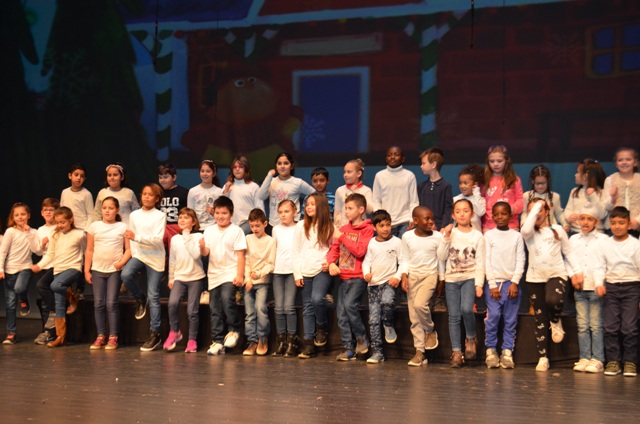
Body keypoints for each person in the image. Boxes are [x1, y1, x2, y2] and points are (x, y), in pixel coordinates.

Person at [521, 199, 582, 372]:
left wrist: (577, 271)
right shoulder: (528, 232)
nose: (536, 213)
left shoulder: (558, 230)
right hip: (535, 279)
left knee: (553, 300)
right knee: (540, 318)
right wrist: (536, 207)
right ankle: (543, 357)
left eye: (540, 209)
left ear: (547, 212)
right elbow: (525, 229)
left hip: (556, 274)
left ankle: (555, 320)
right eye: (532, 211)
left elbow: (568, 252)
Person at [325, 193, 374, 361]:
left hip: (358, 276)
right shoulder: (343, 230)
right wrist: (331, 263)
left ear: (361, 210)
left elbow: (360, 251)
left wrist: (342, 237)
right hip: (343, 277)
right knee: (341, 313)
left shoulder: (367, 229)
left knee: (349, 305)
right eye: (345, 208)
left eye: (350, 208)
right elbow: (334, 249)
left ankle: (361, 339)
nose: (346, 211)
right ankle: (348, 347)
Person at [438, 199, 485, 368]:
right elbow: (441, 256)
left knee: (466, 309)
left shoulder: (477, 236)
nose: (462, 214)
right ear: (453, 215)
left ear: (472, 214)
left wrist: (479, 284)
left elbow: (480, 261)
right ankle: (457, 351)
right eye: (458, 211)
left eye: (465, 211)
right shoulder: (450, 234)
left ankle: (471, 337)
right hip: (452, 279)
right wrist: (446, 238)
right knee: (454, 316)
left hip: (469, 278)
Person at [120, 183, 167, 352]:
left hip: (155, 257)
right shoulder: (134, 215)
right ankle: (140, 298)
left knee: (153, 295)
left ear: (157, 198)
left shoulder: (160, 216)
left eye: (150, 194)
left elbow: (157, 239)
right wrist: (134, 252)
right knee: (126, 275)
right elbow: (130, 236)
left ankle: (155, 333)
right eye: (144, 194)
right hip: (139, 255)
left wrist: (137, 237)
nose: (146, 197)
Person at [32, 207, 86, 348]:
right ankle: (61, 337)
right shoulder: (55, 235)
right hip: (58, 269)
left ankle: (73, 297)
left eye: (63, 222)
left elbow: (86, 251)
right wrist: (39, 265)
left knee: (55, 285)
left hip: (73, 268)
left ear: (70, 220)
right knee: (59, 305)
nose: (60, 225)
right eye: (57, 222)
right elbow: (50, 254)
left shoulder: (79, 234)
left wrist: (86, 269)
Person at [199, 196, 246, 356]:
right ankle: (218, 340)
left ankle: (234, 330)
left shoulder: (236, 231)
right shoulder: (209, 231)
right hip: (214, 274)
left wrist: (239, 275)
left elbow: (240, 255)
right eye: (217, 213)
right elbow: (206, 252)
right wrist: (201, 247)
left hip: (230, 273)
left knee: (227, 299)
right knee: (215, 309)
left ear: (231, 214)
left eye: (224, 213)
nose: (220, 216)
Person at [598, 206, 640, 377]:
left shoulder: (635, 244)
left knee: (630, 327)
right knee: (610, 326)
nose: (617, 226)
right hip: (612, 287)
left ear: (628, 224)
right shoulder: (605, 244)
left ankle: (630, 362)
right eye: (614, 223)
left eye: (621, 223)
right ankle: (613, 361)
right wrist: (599, 283)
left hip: (632, 287)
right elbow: (600, 266)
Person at [400, 206, 444, 367]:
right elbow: (405, 258)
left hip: (430, 275)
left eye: (432, 218)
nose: (431, 221)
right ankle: (420, 352)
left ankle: (430, 330)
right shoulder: (407, 236)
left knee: (420, 305)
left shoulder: (438, 237)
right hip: (413, 276)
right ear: (416, 220)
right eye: (427, 219)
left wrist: (441, 279)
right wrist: (404, 275)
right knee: (414, 318)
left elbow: (441, 259)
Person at [483, 202, 525, 369]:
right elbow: (486, 261)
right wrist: (492, 285)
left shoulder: (517, 236)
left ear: (510, 215)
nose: (500, 217)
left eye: (504, 214)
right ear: (492, 216)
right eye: (496, 214)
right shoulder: (488, 236)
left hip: (511, 284)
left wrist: (514, 282)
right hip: (494, 284)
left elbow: (521, 260)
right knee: (493, 317)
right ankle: (491, 350)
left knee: (510, 319)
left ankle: (507, 352)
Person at [85, 197, 131, 350]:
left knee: (111, 303)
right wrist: (87, 270)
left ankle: (113, 336)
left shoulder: (122, 227)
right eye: (104, 208)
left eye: (111, 208)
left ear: (117, 210)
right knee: (98, 303)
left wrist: (121, 262)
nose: (107, 211)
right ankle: (100, 335)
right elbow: (89, 250)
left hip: (114, 271)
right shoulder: (94, 226)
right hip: (97, 269)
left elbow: (128, 249)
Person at [293, 193, 334, 359]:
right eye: (307, 204)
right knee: (308, 307)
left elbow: (334, 249)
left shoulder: (329, 227)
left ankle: (322, 326)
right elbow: (296, 250)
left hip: (321, 270)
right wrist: (297, 273)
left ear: (321, 206)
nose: (309, 207)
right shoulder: (300, 226)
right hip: (305, 270)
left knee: (317, 299)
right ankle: (309, 343)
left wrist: (330, 262)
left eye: (312, 204)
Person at [567, 204, 607, 373]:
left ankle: (598, 359)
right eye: (582, 218)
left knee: (596, 325)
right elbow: (568, 260)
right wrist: (573, 276)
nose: (585, 222)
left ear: (596, 221)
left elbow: (603, 263)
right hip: (580, 288)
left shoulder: (603, 240)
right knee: (582, 325)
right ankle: (584, 357)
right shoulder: (573, 240)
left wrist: (599, 282)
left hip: (595, 288)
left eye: (589, 219)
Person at [362, 209, 402, 364]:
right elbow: (367, 261)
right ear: (374, 227)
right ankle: (377, 352)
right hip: (373, 285)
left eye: (388, 225)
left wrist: (397, 276)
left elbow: (403, 261)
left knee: (387, 302)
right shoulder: (372, 243)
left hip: (388, 282)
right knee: (373, 320)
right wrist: (366, 273)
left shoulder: (396, 242)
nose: (386, 229)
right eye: (382, 226)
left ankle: (388, 324)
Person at [164, 207, 205, 353]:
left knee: (192, 311)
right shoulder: (175, 239)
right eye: (180, 217)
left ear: (193, 222)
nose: (182, 220)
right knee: (172, 303)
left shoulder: (198, 236)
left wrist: (187, 235)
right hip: (179, 277)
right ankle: (174, 332)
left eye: (186, 218)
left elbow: (195, 254)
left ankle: (192, 340)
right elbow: (173, 260)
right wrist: (171, 277)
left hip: (196, 278)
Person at [0, 203, 42, 344]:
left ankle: (24, 301)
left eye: (23, 214)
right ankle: (11, 333)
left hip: (25, 267)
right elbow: (3, 251)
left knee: (19, 288)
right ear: (13, 217)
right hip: (9, 270)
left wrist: (29, 234)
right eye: (17, 215)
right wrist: (1, 269)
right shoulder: (10, 232)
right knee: (10, 304)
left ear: (28, 215)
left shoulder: (34, 232)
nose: (20, 217)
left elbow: (38, 251)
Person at [243, 208, 276, 356]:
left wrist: (259, 274)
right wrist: (248, 279)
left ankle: (263, 338)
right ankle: (252, 340)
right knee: (249, 312)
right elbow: (246, 260)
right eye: (252, 226)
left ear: (265, 224)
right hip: (249, 281)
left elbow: (270, 264)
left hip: (262, 281)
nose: (255, 229)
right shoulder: (248, 239)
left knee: (260, 308)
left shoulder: (270, 241)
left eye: (258, 225)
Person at [271, 199, 300, 357]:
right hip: (278, 270)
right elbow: (274, 248)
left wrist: (299, 272)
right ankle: (281, 341)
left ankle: (292, 341)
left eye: (286, 211)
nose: (283, 215)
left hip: (292, 271)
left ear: (295, 212)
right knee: (279, 308)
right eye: (280, 212)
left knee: (289, 307)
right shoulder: (276, 229)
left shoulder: (299, 228)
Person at [258, 152, 315, 227]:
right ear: (276, 166)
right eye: (279, 163)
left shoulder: (298, 182)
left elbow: (315, 194)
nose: (282, 166)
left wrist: (306, 211)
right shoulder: (271, 181)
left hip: (292, 225)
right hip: (274, 225)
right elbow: (261, 196)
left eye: (286, 163)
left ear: (292, 166)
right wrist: (269, 175)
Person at [372, 146, 419, 238]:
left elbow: (414, 201)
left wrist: (411, 219)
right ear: (386, 159)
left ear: (403, 159)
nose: (392, 157)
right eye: (389, 155)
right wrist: (380, 219)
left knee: (405, 247)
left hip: (405, 222)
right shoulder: (379, 176)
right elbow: (376, 201)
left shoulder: (409, 176)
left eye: (396, 154)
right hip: (385, 223)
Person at [34, 198, 60, 345]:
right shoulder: (40, 230)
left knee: (54, 296)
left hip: (56, 266)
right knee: (44, 303)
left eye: (51, 210)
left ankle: (55, 331)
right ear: (42, 213)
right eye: (46, 210)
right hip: (44, 266)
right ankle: (47, 331)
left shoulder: (59, 227)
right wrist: (42, 245)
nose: (48, 212)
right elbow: (38, 252)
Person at [481, 145, 523, 232]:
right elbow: (481, 202)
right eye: (492, 161)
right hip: (490, 225)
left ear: (506, 161)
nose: (495, 164)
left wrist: (511, 209)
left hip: (510, 224)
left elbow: (520, 200)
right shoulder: (484, 180)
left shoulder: (514, 179)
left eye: (499, 161)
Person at [563, 158, 608, 234]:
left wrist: (593, 196)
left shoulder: (602, 192)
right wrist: (569, 217)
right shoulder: (574, 192)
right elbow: (568, 209)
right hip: (576, 232)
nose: (575, 175)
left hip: (597, 233)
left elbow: (602, 214)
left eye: (578, 172)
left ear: (585, 176)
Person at [222, 155, 263, 235]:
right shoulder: (227, 186)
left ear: (246, 168)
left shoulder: (253, 187)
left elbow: (259, 209)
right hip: (230, 224)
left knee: (238, 235)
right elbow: (221, 206)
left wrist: (256, 224)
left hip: (248, 223)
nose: (237, 169)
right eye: (235, 167)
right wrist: (225, 191)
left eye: (240, 167)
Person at [521, 164, 569, 232]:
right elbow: (525, 213)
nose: (540, 186)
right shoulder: (526, 196)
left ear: (548, 181)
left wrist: (565, 224)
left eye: (543, 183)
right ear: (532, 181)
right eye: (537, 183)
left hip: (551, 230)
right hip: (533, 231)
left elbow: (559, 213)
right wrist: (523, 224)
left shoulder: (554, 197)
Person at [604, 147, 640, 237]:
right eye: (620, 160)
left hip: (635, 227)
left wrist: (637, 220)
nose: (624, 162)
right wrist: (612, 198)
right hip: (614, 228)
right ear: (616, 164)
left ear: (635, 162)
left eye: (628, 159)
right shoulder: (610, 180)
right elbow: (606, 206)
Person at [417, 147, 452, 231]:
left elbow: (448, 209)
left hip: (439, 229)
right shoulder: (421, 186)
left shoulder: (446, 186)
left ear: (433, 164)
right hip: (423, 227)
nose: (421, 166)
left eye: (423, 163)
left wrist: (443, 227)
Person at [334, 158, 377, 227]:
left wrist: (357, 193)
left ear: (358, 174)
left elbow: (369, 210)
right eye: (344, 172)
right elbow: (337, 212)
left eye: (349, 172)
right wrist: (340, 228)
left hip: (361, 228)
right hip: (344, 228)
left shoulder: (366, 190)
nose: (345, 175)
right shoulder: (340, 190)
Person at [158, 162, 189, 251]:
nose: (162, 180)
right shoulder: (157, 193)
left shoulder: (184, 192)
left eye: (165, 177)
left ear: (174, 177)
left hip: (177, 229)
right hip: (161, 229)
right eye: (160, 177)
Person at [187, 159, 223, 230]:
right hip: (197, 229)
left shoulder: (219, 192)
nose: (205, 174)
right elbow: (190, 213)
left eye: (208, 171)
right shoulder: (192, 191)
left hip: (215, 229)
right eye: (202, 171)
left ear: (214, 173)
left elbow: (223, 214)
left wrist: (213, 212)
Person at [60, 163, 94, 231]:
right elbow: (61, 211)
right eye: (76, 175)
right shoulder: (64, 192)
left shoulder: (87, 194)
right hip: (67, 229)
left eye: (82, 176)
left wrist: (86, 231)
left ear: (84, 179)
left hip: (81, 229)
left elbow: (91, 215)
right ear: (70, 176)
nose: (78, 178)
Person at [453, 164, 485, 232]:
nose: (462, 186)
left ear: (474, 184)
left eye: (465, 183)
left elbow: (480, 213)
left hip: (475, 235)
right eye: (460, 183)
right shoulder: (455, 200)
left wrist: (476, 192)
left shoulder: (480, 200)